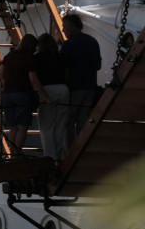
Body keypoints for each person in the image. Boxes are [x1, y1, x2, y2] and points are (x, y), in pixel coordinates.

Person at [60, 13, 102, 149]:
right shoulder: (92, 41)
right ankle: (83, 149)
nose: (63, 30)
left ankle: (70, 152)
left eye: (64, 27)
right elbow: (98, 66)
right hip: (90, 86)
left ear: (72, 27)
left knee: (69, 121)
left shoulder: (68, 45)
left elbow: (64, 68)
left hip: (74, 87)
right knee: (83, 120)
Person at [31, 34, 70, 163]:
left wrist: (44, 96)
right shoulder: (60, 57)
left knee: (47, 126)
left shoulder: (37, 58)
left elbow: (35, 79)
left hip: (47, 89)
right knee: (59, 126)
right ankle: (58, 157)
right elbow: (66, 74)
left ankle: (50, 157)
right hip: (63, 89)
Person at [0, 35, 38, 150]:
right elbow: (33, 79)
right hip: (22, 94)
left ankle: (11, 153)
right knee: (22, 127)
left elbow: (0, 75)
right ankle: (16, 153)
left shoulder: (9, 56)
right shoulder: (29, 58)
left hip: (7, 94)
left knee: (13, 127)